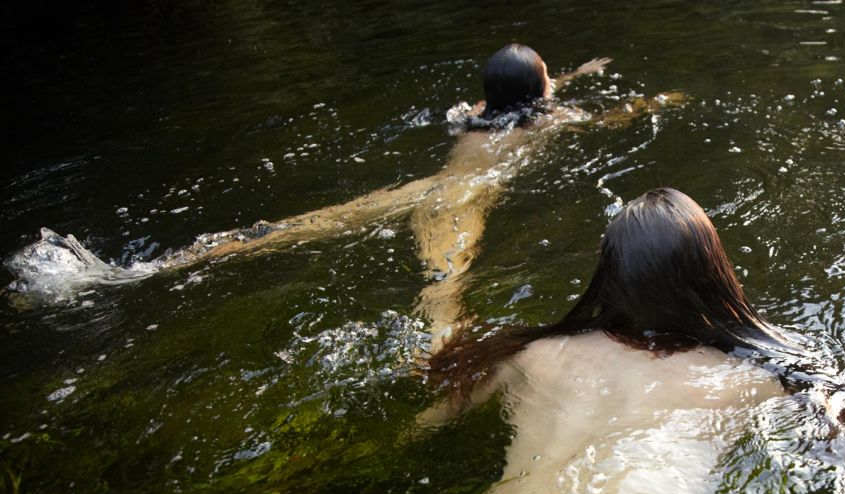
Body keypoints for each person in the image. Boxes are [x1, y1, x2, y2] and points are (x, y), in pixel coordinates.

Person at [6, 45, 683, 355]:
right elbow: (592, 115)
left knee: (288, 229)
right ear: (541, 95)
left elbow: (529, 90)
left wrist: (576, 71)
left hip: (425, 184)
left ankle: (142, 270)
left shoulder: (478, 111)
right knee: (448, 273)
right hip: (459, 196)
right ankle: (440, 342)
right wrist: (657, 101)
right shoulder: (543, 121)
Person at [411, 188, 792, 494]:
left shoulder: (531, 356)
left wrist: (444, 295)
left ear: (607, 277)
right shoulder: (742, 383)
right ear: (712, 275)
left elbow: (430, 420)